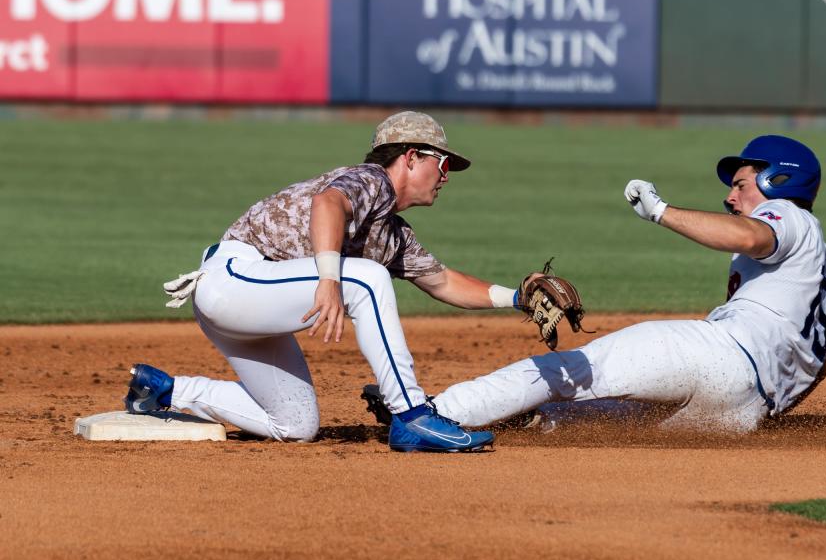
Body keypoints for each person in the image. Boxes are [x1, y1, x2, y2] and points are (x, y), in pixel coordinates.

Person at [123, 111, 528, 452]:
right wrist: (330, 280)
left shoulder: (390, 233)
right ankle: (412, 415)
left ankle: (163, 391)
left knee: (296, 424)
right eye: (441, 165)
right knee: (367, 279)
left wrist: (518, 297)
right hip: (236, 279)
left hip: (256, 306)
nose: (446, 176)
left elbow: (443, 283)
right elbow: (328, 202)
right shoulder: (372, 179)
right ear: (409, 157)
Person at [429, 135, 826, 434]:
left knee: (575, 371)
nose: (730, 197)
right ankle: (533, 419)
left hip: (720, 355)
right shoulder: (815, 277)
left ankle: (433, 411)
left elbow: (750, 236)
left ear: (779, 182)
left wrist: (661, 212)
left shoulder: (788, 216)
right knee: (609, 421)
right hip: (743, 412)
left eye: (741, 185)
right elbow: (812, 372)